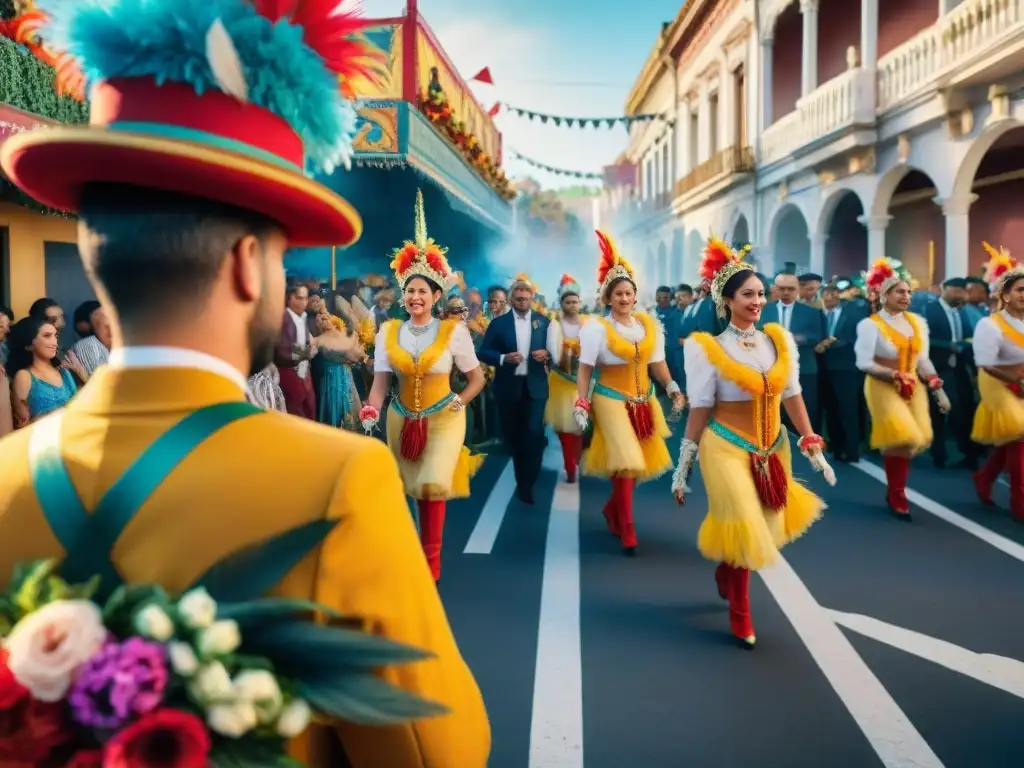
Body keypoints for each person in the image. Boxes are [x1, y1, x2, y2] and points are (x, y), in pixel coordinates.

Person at [0, 1, 489, 764]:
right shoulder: (337, 479)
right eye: (282, 259)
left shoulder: (3, 478)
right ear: (245, 264)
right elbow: (436, 749)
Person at [670, 237, 832, 649]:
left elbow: (792, 394)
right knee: (743, 521)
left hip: (771, 445)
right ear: (727, 300)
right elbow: (701, 407)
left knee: (760, 526)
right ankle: (740, 615)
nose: (758, 300)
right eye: (748, 294)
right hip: (724, 445)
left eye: (762, 293)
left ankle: (727, 571)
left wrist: (809, 438)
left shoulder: (777, 340)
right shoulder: (707, 350)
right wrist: (684, 461)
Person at [361, 190, 487, 583]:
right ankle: (416, 547)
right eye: (409, 291)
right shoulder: (388, 332)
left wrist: (460, 401)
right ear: (403, 296)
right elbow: (380, 385)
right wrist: (370, 408)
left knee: (433, 483)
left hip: (445, 418)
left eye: (423, 291)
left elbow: (476, 378)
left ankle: (431, 562)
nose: (415, 297)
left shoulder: (454, 333)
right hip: (402, 418)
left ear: (436, 296)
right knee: (412, 488)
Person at [573, 231, 684, 555]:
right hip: (609, 398)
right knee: (626, 459)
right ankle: (627, 526)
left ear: (635, 296)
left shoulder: (649, 326)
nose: (623, 298)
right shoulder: (596, 328)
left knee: (635, 464)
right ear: (608, 298)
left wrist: (673, 387)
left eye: (628, 293)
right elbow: (585, 369)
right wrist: (582, 400)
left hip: (643, 399)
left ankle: (613, 508)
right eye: (617, 294)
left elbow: (658, 363)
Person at [855, 258, 951, 521]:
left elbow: (923, 359)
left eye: (908, 292)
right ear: (884, 295)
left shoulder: (918, 323)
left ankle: (894, 489)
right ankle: (898, 493)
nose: (906, 296)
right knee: (902, 435)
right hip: (882, 386)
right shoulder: (869, 325)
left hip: (914, 387)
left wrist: (935, 386)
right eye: (899, 291)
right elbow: (863, 362)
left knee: (912, 442)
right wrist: (893, 374)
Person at [479, 273, 551, 504]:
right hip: (509, 389)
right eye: (518, 298)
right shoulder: (498, 324)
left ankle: (527, 483)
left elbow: (557, 356)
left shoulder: (544, 322)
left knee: (533, 435)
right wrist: (502, 358)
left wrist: (548, 356)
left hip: (536, 389)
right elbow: (483, 352)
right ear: (511, 300)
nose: (522, 302)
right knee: (514, 437)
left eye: (526, 298)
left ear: (532, 298)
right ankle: (522, 479)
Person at [970, 243, 1024, 522]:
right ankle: (1019, 502)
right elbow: (986, 364)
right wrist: (1017, 382)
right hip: (998, 383)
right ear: (1004, 294)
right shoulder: (989, 325)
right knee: (1019, 436)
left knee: (1013, 441)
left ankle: (985, 477)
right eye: (1020, 290)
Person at [545, 273, 588, 482]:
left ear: (580, 303)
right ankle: (569, 466)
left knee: (580, 427)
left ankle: (576, 461)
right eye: (568, 302)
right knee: (565, 426)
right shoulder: (556, 325)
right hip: (562, 382)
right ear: (562, 303)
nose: (572, 305)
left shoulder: (588, 324)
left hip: (583, 383)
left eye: (575, 302)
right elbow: (553, 353)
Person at [8, 314, 78, 426]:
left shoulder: (64, 372)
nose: (54, 342)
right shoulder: (24, 376)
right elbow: (21, 425)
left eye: (55, 336)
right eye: (47, 336)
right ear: (29, 344)